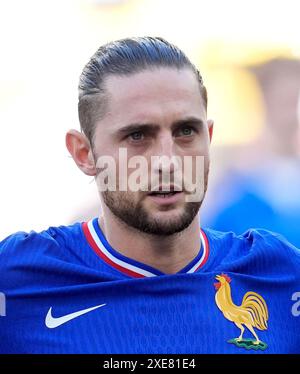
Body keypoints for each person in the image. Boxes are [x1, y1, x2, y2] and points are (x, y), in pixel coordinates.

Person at [0, 37, 299, 354]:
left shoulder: (282, 274)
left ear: (208, 139)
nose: (167, 161)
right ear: (84, 153)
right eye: (138, 136)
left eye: (186, 131)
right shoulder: (17, 278)